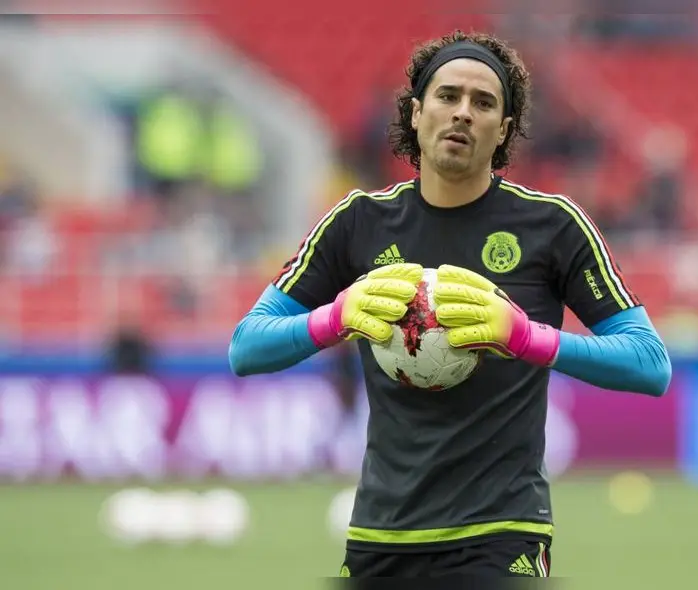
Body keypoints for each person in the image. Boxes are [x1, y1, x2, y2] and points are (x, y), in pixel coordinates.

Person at [229, 30, 671, 579]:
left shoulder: (553, 226)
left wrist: (525, 338)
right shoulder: (358, 223)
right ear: (416, 113)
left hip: (501, 532)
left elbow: (650, 364)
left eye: (483, 103)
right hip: (379, 533)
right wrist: (335, 318)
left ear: (504, 131)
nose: (463, 112)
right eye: (448, 96)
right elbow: (246, 346)